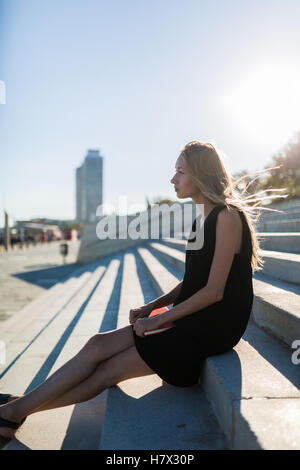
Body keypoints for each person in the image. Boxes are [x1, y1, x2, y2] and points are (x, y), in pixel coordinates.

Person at [0, 140, 284, 441]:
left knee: (107, 371)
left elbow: (214, 291)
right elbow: (194, 280)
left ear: (200, 175)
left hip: (214, 326)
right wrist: (153, 307)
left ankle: (12, 413)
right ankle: (17, 407)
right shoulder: (201, 219)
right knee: (97, 344)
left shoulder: (227, 217)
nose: (173, 180)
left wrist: (160, 320)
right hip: (196, 315)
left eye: (180, 172)